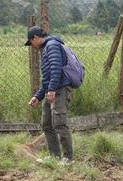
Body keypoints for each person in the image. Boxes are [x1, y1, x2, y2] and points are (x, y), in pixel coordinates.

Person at [25, 26, 74, 165]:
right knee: (47, 123)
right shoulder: (46, 48)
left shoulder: (52, 46)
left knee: (60, 123)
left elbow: (56, 69)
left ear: (35, 38)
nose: (32, 46)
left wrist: (52, 89)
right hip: (51, 90)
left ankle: (68, 158)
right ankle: (55, 156)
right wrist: (38, 96)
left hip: (60, 90)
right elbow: (46, 78)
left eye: (31, 42)